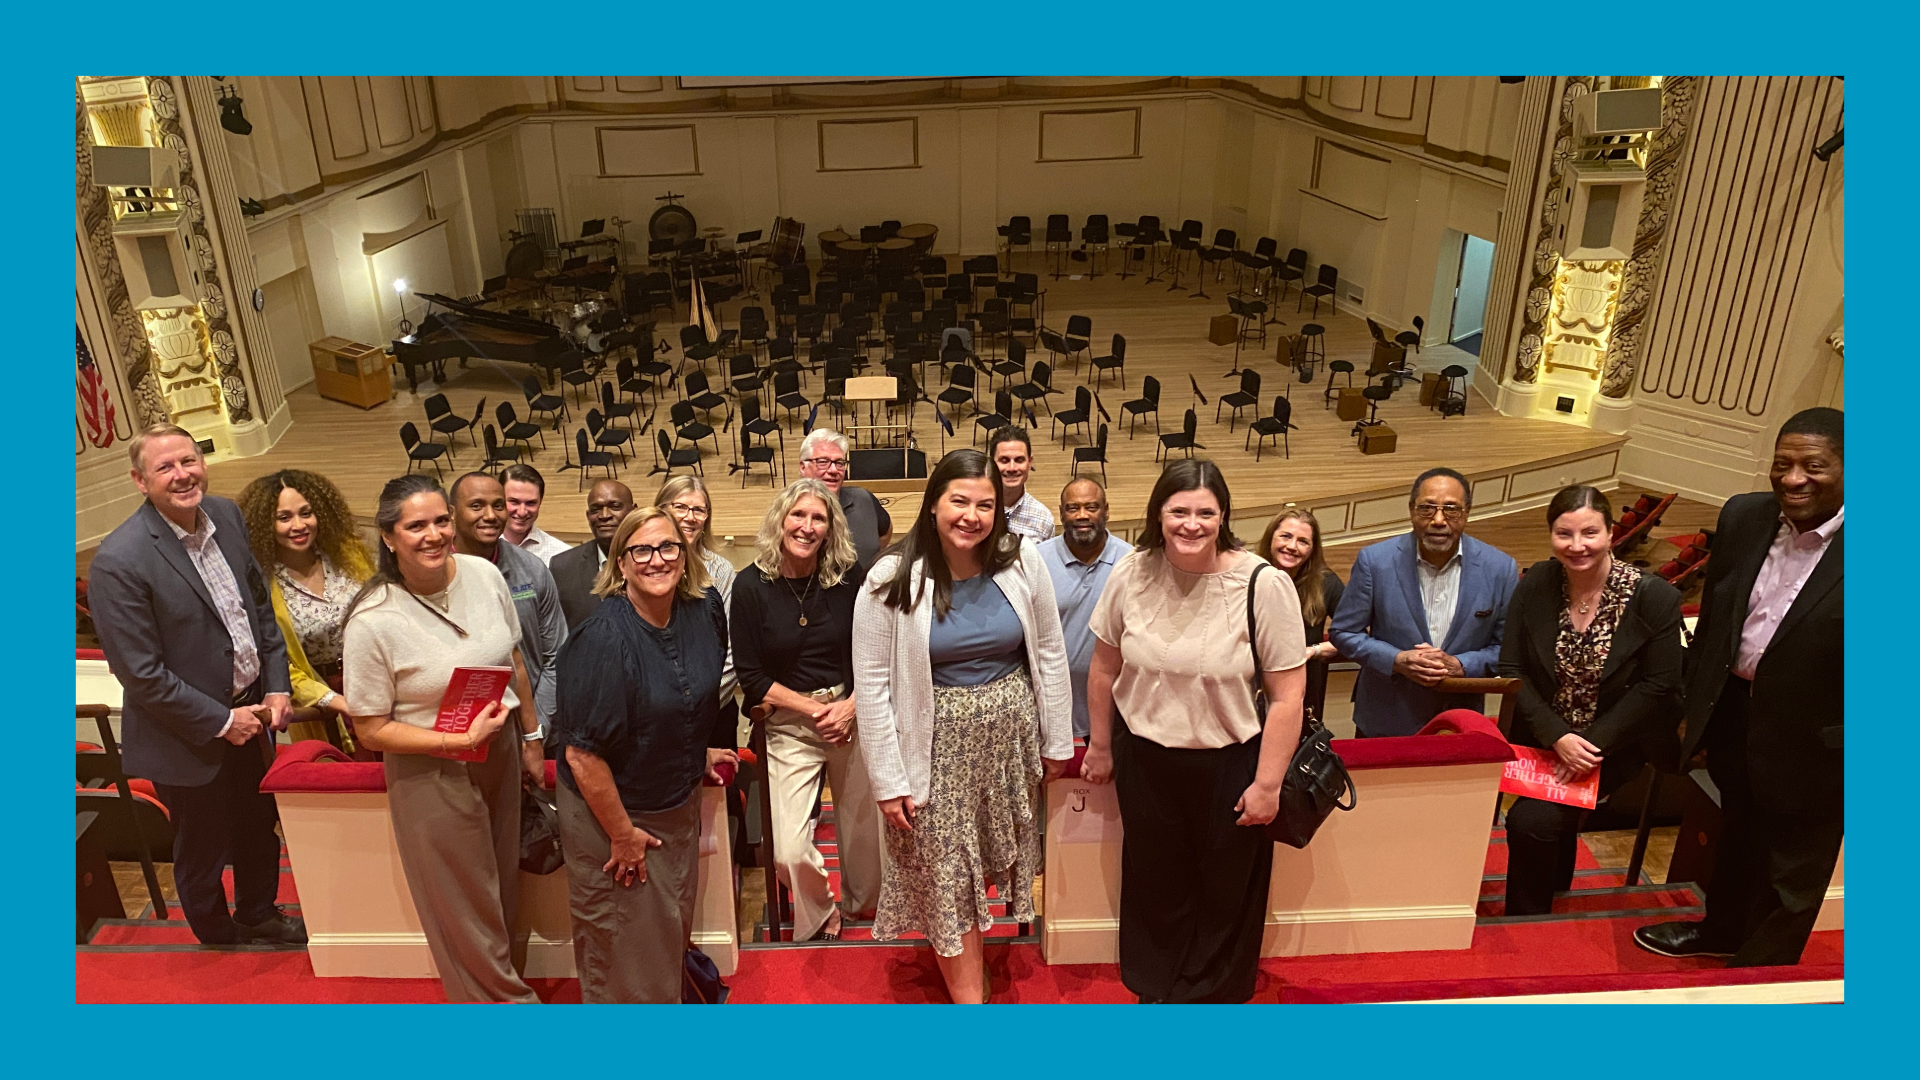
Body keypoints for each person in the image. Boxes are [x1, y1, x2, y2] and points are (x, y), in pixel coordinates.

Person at [1080, 458, 1307, 1004]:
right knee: (1154, 884)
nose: (1191, 524)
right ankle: (1156, 986)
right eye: (1178, 510)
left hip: (1231, 764)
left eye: (1205, 512)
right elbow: (1104, 669)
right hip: (1146, 759)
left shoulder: (1263, 583)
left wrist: (1269, 784)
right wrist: (1101, 744)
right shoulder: (1132, 572)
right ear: (1158, 514)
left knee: (1225, 889)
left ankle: (1208, 998)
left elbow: (1288, 695)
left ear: (1223, 516)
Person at [852, 449, 1074, 1003]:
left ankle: (971, 971)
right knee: (946, 876)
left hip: (1007, 744)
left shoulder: (1022, 561)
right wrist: (888, 780)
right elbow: (873, 684)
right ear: (932, 504)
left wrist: (1056, 739)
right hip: (931, 750)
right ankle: (970, 1005)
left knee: (977, 875)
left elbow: (1048, 652)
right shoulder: (890, 576)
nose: (972, 515)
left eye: (985, 504)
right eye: (959, 501)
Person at [1636, 408, 1845, 967]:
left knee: (1793, 872)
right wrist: (1694, 711)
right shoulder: (1745, 516)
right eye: (1783, 464)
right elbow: (1720, 622)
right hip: (1734, 715)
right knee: (1738, 836)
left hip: (1821, 742)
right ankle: (1722, 930)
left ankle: (1758, 978)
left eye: (1814, 466)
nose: (1793, 478)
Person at [88, 424, 306, 946]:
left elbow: (257, 609)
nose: (182, 474)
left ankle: (258, 912)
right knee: (203, 844)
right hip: (186, 733)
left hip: (252, 714)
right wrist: (221, 721)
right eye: (165, 468)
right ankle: (215, 935)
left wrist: (275, 685)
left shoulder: (227, 515)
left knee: (258, 823)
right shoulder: (119, 561)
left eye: (189, 461)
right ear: (140, 480)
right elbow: (140, 674)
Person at [341, 474, 547, 1003]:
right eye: (415, 526)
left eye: (440, 521)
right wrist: (451, 744)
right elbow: (369, 729)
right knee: (466, 903)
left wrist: (531, 734)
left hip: (498, 750)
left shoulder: (482, 573)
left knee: (502, 887)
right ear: (389, 537)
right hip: (431, 769)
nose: (433, 535)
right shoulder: (372, 620)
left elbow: (514, 660)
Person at [552, 504, 737, 1003]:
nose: (656, 559)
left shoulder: (704, 609)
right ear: (621, 562)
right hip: (611, 814)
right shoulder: (603, 640)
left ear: (685, 552)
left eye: (667, 546)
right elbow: (582, 756)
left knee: (664, 935)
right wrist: (621, 835)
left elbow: (691, 696)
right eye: (641, 550)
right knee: (624, 950)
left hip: (672, 801)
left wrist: (693, 751)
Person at [1497, 486, 1683, 916]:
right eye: (1564, 534)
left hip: (1615, 744)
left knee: (1529, 822)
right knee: (1547, 821)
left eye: (1589, 533)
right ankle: (1554, 889)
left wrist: (1591, 744)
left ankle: (1527, 921)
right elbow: (1511, 668)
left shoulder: (1654, 597)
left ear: (1610, 532)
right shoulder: (1536, 584)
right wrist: (1557, 735)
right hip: (1546, 740)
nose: (1577, 546)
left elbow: (1659, 685)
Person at [731, 479, 882, 941]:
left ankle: (868, 919)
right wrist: (815, 710)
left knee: (866, 850)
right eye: (798, 515)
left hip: (850, 717)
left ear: (830, 527)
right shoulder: (750, 586)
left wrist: (851, 706)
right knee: (789, 850)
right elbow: (751, 675)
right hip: (789, 725)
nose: (807, 526)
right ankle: (822, 910)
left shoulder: (848, 577)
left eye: (818, 517)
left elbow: (873, 649)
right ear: (780, 519)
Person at [1329, 467, 1518, 737]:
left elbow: (1508, 649)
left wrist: (1462, 665)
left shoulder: (1500, 568)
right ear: (1411, 510)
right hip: (1385, 718)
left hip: (1459, 721)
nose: (1438, 520)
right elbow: (1343, 632)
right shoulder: (1375, 562)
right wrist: (1397, 659)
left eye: (1451, 509)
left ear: (1466, 513)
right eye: (1427, 508)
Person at [237, 469, 376, 748]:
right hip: (318, 700)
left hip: (374, 677)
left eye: (306, 513)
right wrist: (333, 700)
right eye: (284, 518)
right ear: (264, 525)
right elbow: (274, 661)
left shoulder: (349, 553)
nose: (298, 525)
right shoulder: (258, 582)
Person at [449, 472, 568, 741]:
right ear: (452, 513)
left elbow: (556, 657)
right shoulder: (432, 572)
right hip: (454, 730)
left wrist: (534, 731)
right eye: (477, 505)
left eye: (498, 505)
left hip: (532, 726)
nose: (491, 515)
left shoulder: (532, 569)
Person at [1037, 477, 1132, 740]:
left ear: (1106, 510)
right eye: (1073, 508)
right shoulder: (1036, 561)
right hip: (1049, 710)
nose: (1082, 515)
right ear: (1061, 513)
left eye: (1091, 507)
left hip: (1116, 713)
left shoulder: (1132, 564)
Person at [1256, 509, 1344, 725]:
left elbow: (1355, 637)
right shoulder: (1246, 576)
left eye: (1303, 541)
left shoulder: (1326, 583)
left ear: (1312, 549)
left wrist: (1314, 651)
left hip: (1303, 694)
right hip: (1250, 690)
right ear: (1271, 538)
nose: (1292, 546)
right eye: (1286, 536)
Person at [799, 427, 892, 569]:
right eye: (823, 462)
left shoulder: (864, 499)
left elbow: (886, 531)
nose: (833, 470)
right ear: (803, 467)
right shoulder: (788, 510)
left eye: (839, 463)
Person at [550, 479, 634, 631]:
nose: (604, 515)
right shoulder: (563, 567)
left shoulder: (654, 560)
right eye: (595, 509)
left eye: (614, 506)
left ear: (633, 510)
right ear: (588, 516)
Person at [655, 474, 738, 603]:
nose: (690, 517)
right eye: (680, 507)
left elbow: (723, 622)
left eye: (699, 510)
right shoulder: (644, 562)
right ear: (661, 510)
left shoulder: (721, 569)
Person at [987, 426, 1054, 543]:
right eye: (1004, 460)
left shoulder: (1044, 520)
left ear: (1029, 463)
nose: (1012, 468)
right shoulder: (975, 509)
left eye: (1019, 460)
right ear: (991, 463)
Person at [501, 463, 572, 563]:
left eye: (530, 503)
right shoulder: (476, 549)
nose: (522, 512)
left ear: (540, 502)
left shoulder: (562, 555)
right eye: (514, 502)